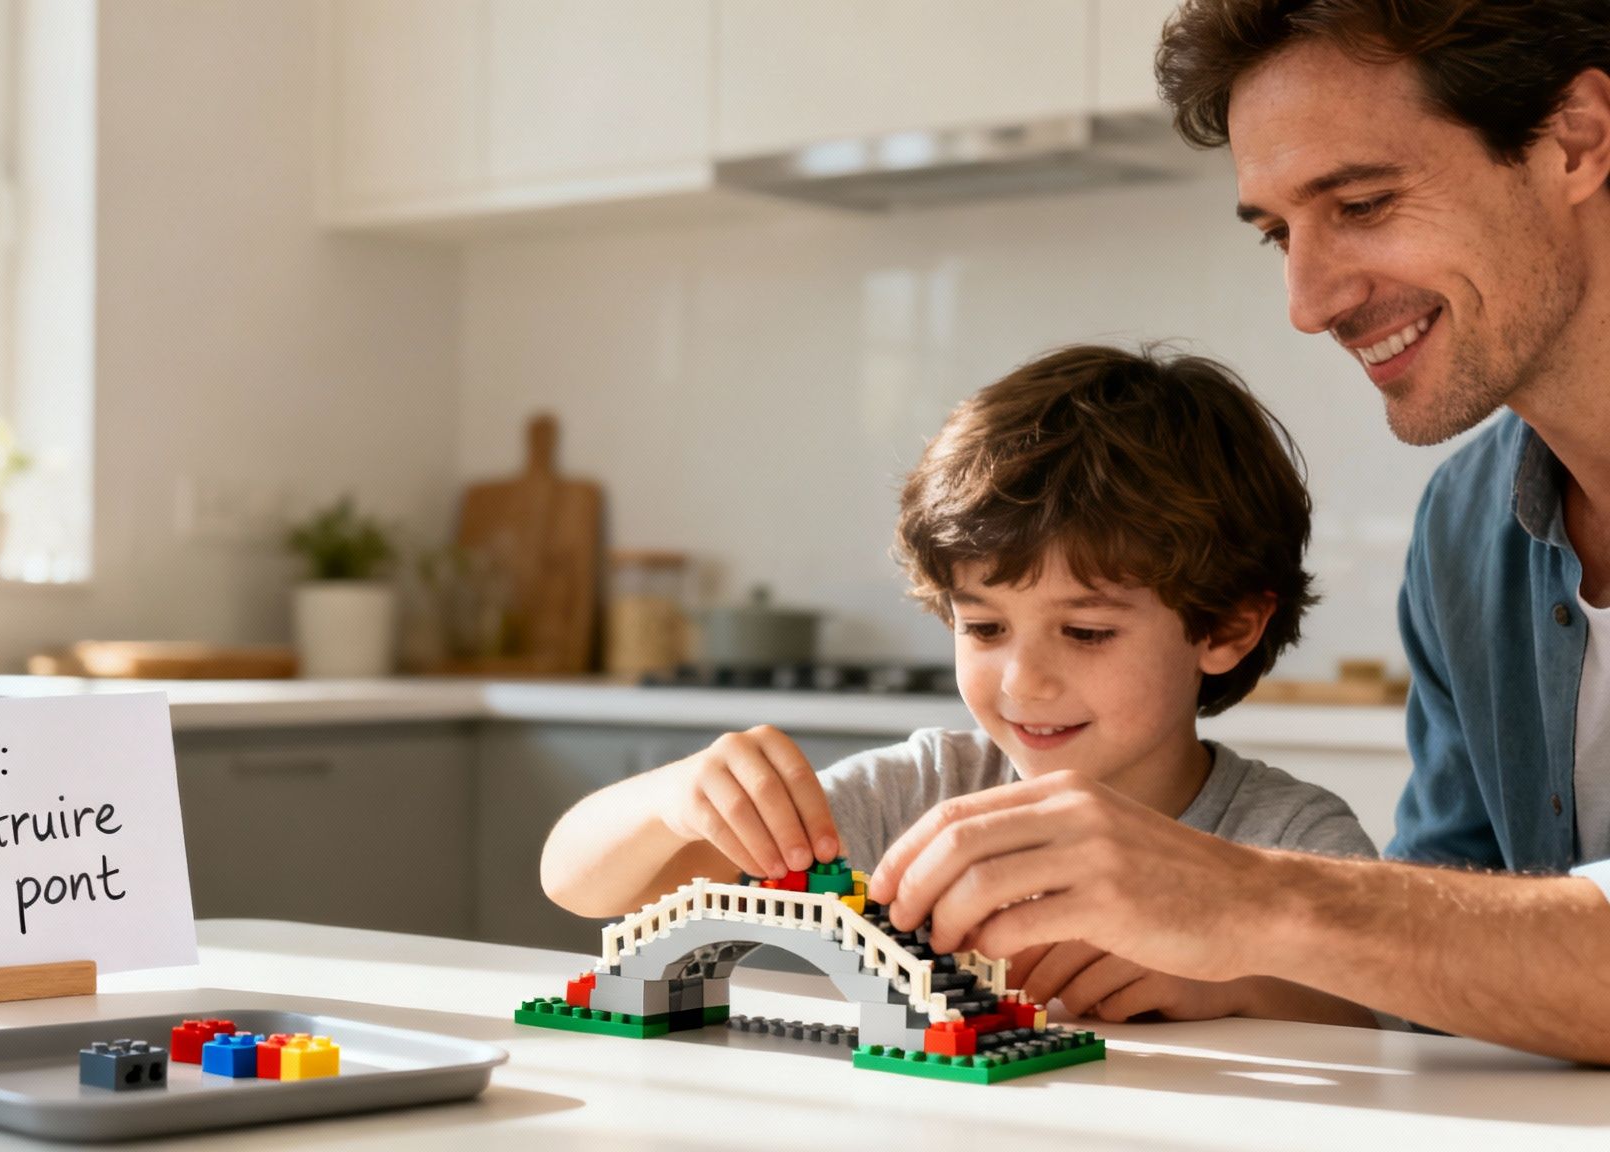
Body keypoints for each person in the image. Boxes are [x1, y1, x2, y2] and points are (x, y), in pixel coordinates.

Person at [850, 0, 1610, 1064]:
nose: (1304, 300)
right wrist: (1228, 966)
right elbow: (1439, 967)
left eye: (1361, 200)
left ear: (1573, 139)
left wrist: (1240, 900)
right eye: (1276, 233)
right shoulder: (1463, 526)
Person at [540, 343, 1378, 1027]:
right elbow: (580, 886)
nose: (1024, 681)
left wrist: (1231, 981)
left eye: (1086, 632)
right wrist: (672, 798)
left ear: (1227, 627)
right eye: (983, 627)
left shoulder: (1284, 836)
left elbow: (1378, 1024)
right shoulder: (922, 796)